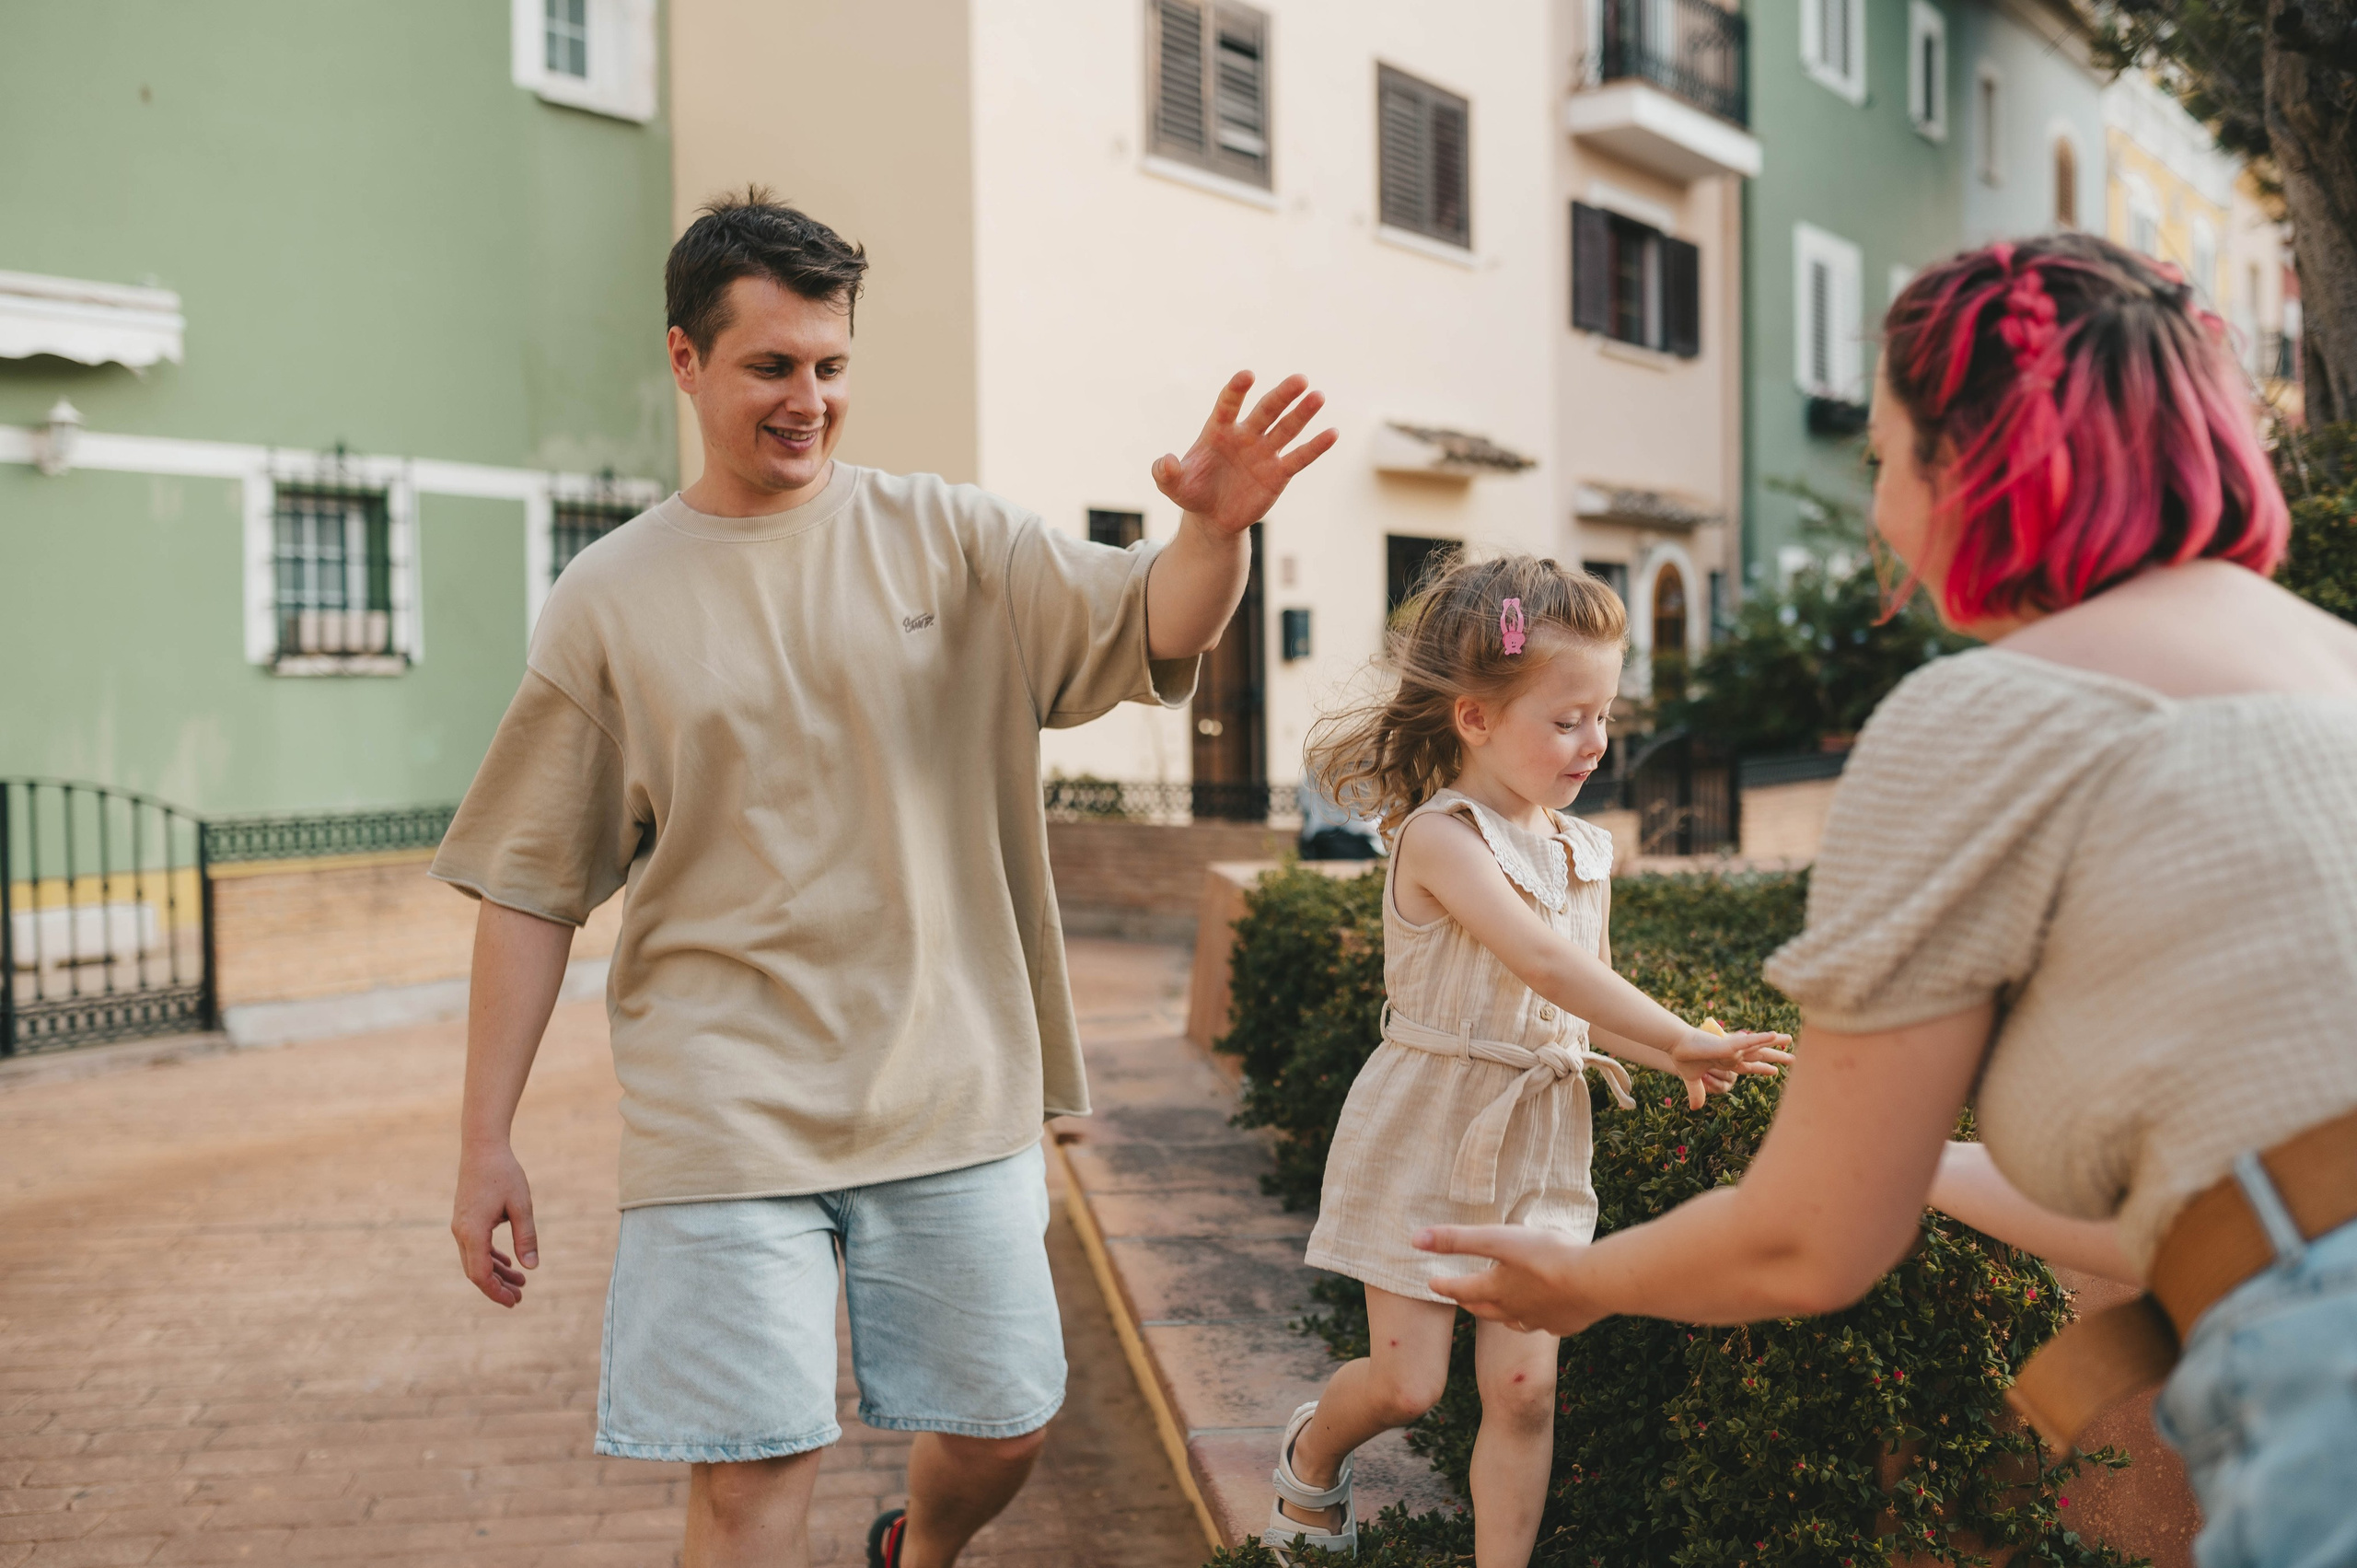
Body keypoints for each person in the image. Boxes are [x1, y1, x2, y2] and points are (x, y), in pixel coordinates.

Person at [1415, 233, 2357, 1567]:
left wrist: (1581, 1280)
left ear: (1966, 458)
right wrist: (1911, 1165)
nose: (1876, 507)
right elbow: (2221, 1183)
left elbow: (1807, 1243)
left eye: (1884, 454)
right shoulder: (2333, 661)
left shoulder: (1993, 709)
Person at [436, 190, 1336, 1568]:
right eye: (772, 366)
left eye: (831, 365)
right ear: (685, 361)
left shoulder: (956, 540)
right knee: (750, 1477)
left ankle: (921, 1544)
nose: (809, 399)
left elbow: (1150, 621)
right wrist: (483, 1136)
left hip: (950, 1079)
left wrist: (1214, 536)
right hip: (722, 1104)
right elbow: (530, 881)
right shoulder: (609, 598)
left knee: (1006, 1424)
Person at [1264, 555, 1791, 1564]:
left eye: (1605, 716)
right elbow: (1542, 962)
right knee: (1407, 1385)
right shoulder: (1440, 836)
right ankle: (1312, 1446)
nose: (1594, 742)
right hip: (1427, 1121)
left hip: (1541, 1134)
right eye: (1566, 719)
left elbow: (1579, 1004)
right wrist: (1678, 1028)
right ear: (1473, 716)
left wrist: (1679, 1050)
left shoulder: (1582, 850)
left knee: (1523, 1387)